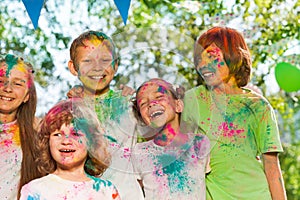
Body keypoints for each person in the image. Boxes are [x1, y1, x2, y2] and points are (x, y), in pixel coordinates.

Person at [182, 26, 287, 199]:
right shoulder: (192, 100)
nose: (202, 64)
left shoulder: (258, 106)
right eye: (198, 59)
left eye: (210, 55)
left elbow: (272, 166)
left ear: (233, 55)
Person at [67, 30, 144, 199]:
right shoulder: (66, 112)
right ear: (73, 67)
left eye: (105, 60)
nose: (97, 67)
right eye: (87, 61)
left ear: (115, 65)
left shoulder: (129, 103)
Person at [20, 98, 120, 199]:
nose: (66, 141)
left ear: (91, 142)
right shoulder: (34, 190)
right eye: (58, 134)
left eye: (75, 134)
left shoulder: (106, 190)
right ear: (47, 142)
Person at [131, 78, 210, 199]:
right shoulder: (139, 152)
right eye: (143, 103)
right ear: (143, 119)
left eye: (158, 97)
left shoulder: (199, 143)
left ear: (178, 105)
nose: (151, 104)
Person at [0, 54, 41, 200]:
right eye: (1, 81)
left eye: (17, 84)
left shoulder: (37, 134)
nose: (7, 88)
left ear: (27, 96)